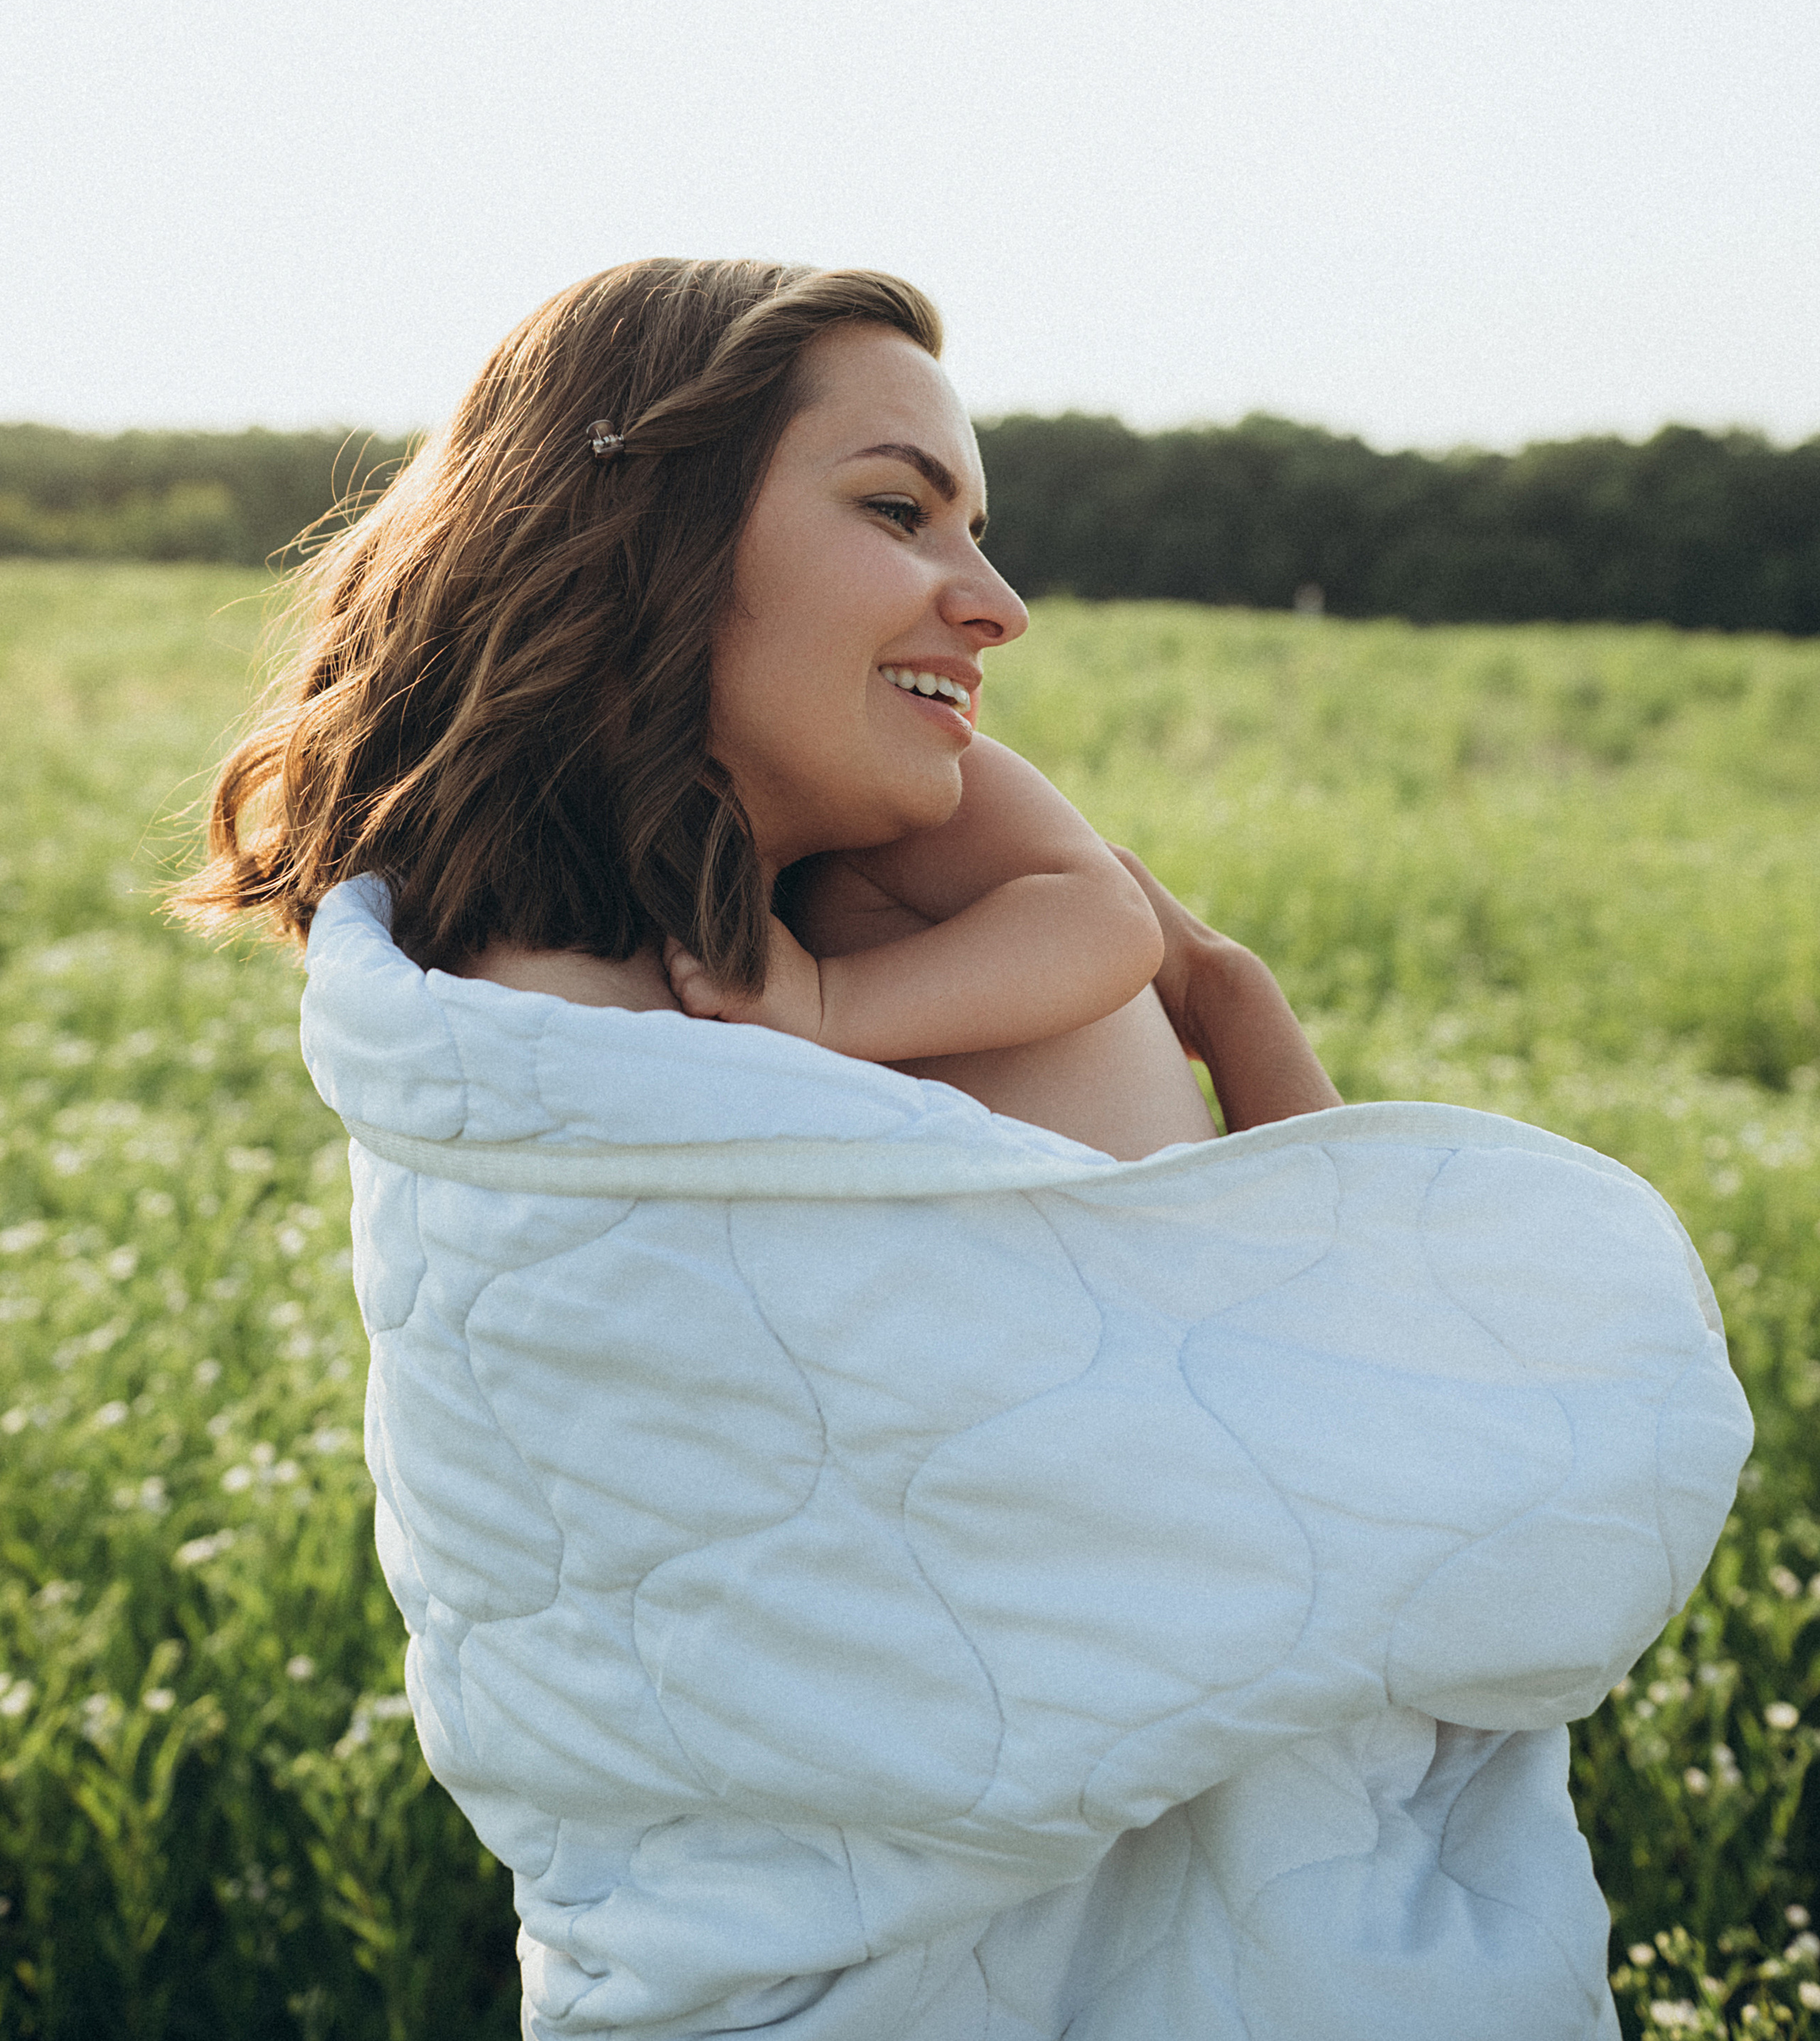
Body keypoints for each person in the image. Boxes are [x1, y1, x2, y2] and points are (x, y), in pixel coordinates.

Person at [176, 257, 1749, 2041]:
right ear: (648, 531)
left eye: (979, 525)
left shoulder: (897, 885)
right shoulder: (542, 1030)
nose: (993, 603)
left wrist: (1217, 1011)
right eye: (897, 507)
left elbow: (1297, 1291)